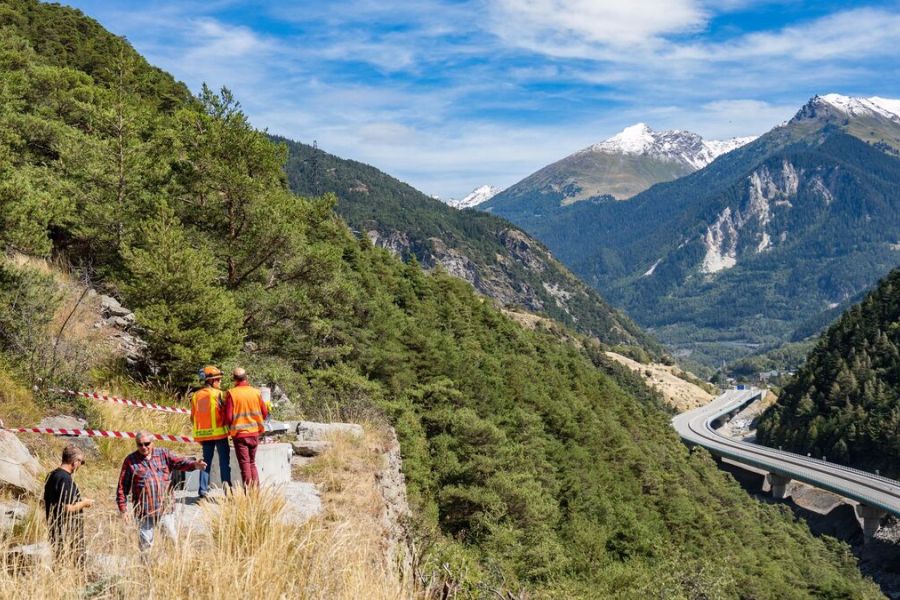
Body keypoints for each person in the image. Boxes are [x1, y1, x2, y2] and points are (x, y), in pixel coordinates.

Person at [116, 431, 206, 553]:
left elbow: (180, 462)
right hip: (144, 512)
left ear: (153, 442)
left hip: (165, 509)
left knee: (171, 542)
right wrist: (123, 509)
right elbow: (122, 486)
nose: (143, 447)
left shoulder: (163, 454)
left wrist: (194, 465)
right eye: (140, 444)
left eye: (146, 444)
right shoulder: (130, 461)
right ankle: (147, 565)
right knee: (145, 547)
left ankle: (173, 563)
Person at [43, 444, 93, 566]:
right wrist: (84, 503)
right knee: (74, 562)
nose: (81, 465)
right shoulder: (65, 479)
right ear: (75, 461)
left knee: (59, 561)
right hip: (67, 531)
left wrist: (79, 500)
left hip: (55, 527)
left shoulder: (52, 475)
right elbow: (67, 507)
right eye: (82, 462)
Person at [190, 365, 231, 498]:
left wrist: (201, 432)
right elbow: (226, 413)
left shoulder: (195, 396)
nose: (220, 381)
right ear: (211, 381)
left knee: (205, 463)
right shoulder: (219, 394)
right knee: (224, 463)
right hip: (219, 434)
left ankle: (202, 491)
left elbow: (193, 417)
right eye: (218, 379)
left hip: (204, 436)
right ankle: (228, 491)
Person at [224, 368, 268, 487]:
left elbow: (228, 417)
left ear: (234, 379)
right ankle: (256, 492)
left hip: (240, 435)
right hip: (254, 433)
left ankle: (248, 493)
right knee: (252, 463)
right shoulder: (256, 392)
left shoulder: (232, 393)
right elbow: (264, 413)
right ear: (246, 377)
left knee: (245, 464)